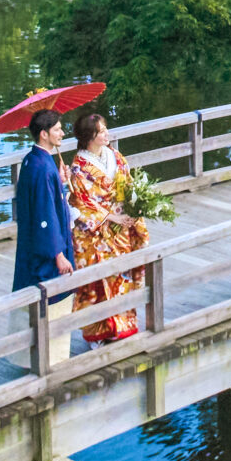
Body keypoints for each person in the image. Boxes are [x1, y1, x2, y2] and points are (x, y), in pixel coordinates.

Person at [66, 111, 150, 344]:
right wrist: (112, 217)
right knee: (98, 282)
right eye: (101, 132)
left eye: (105, 129)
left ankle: (124, 326)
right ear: (89, 137)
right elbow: (82, 203)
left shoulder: (115, 155)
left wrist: (133, 208)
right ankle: (98, 333)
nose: (106, 134)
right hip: (97, 232)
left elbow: (128, 183)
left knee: (122, 275)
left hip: (121, 228)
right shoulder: (78, 167)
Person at [10, 110, 76, 293]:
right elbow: (45, 212)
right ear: (44, 134)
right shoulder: (44, 168)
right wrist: (59, 255)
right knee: (48, 290)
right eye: (57, 129)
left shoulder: (32, 159)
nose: (62, 133)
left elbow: (42, 195)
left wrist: (58, 180)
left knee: (29, 281)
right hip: (44, 244)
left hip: (30, 237)